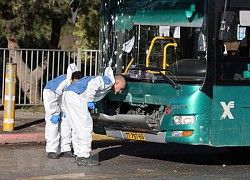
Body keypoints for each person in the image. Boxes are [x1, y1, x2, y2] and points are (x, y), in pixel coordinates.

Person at [62, 67, 126, 166]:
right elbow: (93, 85)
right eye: (120, 88)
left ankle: (79, 154)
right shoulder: (108, 81)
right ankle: (83, 156)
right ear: (116, 82)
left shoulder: (103, 79)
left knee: (76, 128)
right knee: (85, 127)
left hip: (68, 94)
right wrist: (90, 99)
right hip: (77, 97)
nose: (119, 91)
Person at [43, 63, 83, 159]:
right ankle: (51, 150)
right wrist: (55, 113)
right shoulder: (62, 83)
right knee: (53, 123)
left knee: (67, 121)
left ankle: (65, 148)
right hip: (51, 94)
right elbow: (53, 98)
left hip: (62, 95)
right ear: (72, 79)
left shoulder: (77, 82)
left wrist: (66, 110)